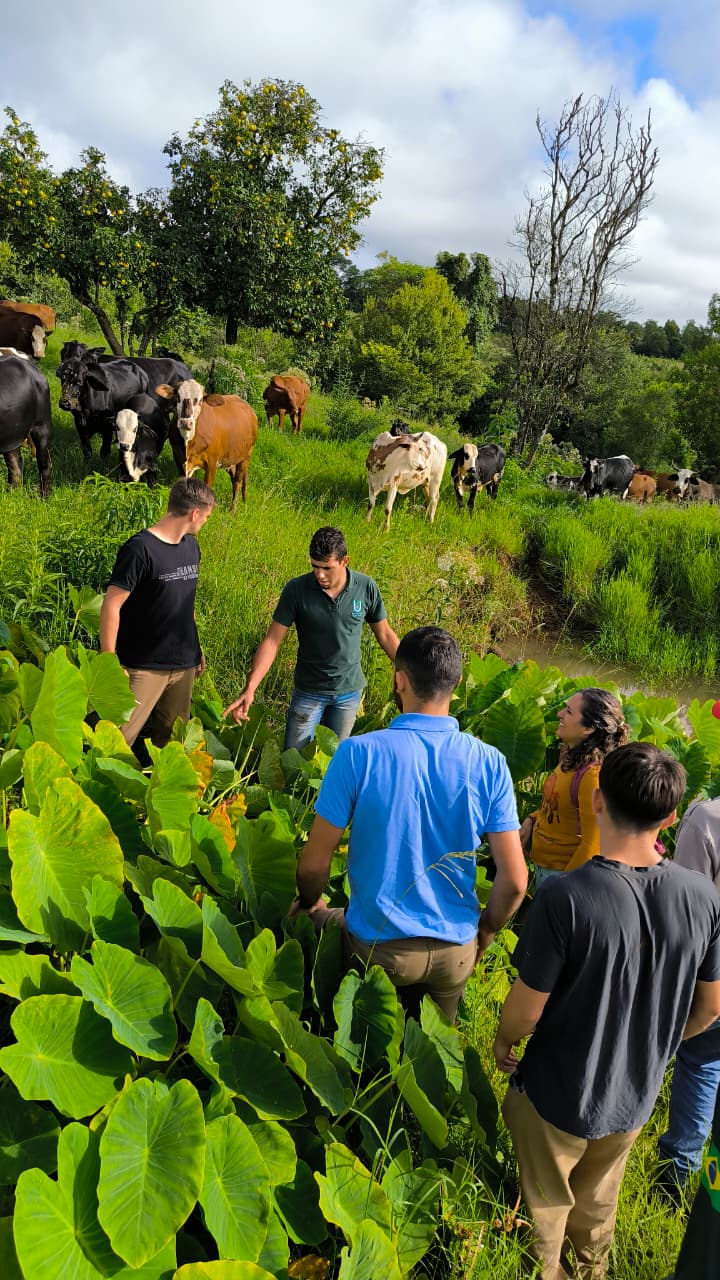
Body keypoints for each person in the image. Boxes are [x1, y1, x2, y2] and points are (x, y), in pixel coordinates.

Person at [494, 742, 720, 1280]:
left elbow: (526, 1010)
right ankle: (591, 1270)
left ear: (597, 800)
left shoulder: (568, 896)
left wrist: (504, 1044)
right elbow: (710, 1006)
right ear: (670, 817)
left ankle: (544, 1270)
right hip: (635, 1096)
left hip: (557, 1091)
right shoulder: (703, 898)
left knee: (546, 1203)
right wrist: (660, 1046)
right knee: (598, 1202)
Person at [290, 626, 528, 1021]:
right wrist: (483, 934)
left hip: (378, 949)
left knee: (318, 919)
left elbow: (314, 864)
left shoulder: (358, 753)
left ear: (399, 681)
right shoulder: (489, 762)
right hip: (456, 951)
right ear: (457, 683)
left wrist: (310, 900)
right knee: (433, 1059)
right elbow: (516, 881)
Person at [224, 526, 399, 750]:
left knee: (335, 759)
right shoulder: (297, 590)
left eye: (327, 568)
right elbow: (272, 641)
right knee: (293, 759)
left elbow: (385, 634)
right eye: (315, 567)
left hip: (348, 693)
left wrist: (411, 671)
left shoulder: (365, 587)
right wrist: (250, 687)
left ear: (345, 561)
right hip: (309, 692)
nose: (320, 575)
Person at [99, 476, 216, 751]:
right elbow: (111, 605)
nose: (205, 523)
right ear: (194, 513)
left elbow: (187, 602)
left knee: (172, 743)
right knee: (117, 741)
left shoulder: (191, 547)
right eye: (206, 517)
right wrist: (109, 659)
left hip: (183, 664)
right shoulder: (140, 549)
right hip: (143, 666)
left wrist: (196, 648)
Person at [658, 797, 720, 1192]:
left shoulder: (709, 817)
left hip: (713, 972)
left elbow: (687, 910)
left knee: (700, 1061)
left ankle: (678, 1179)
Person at [520, 688, 629, 887]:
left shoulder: (592, 776)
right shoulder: (571, 756)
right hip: (546, 869)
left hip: (563, 877)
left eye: (569, 712)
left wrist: (565, 891)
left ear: (588, 729)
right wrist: (532, 819)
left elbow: (593, 844)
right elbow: (561, 807)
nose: (559, 714)